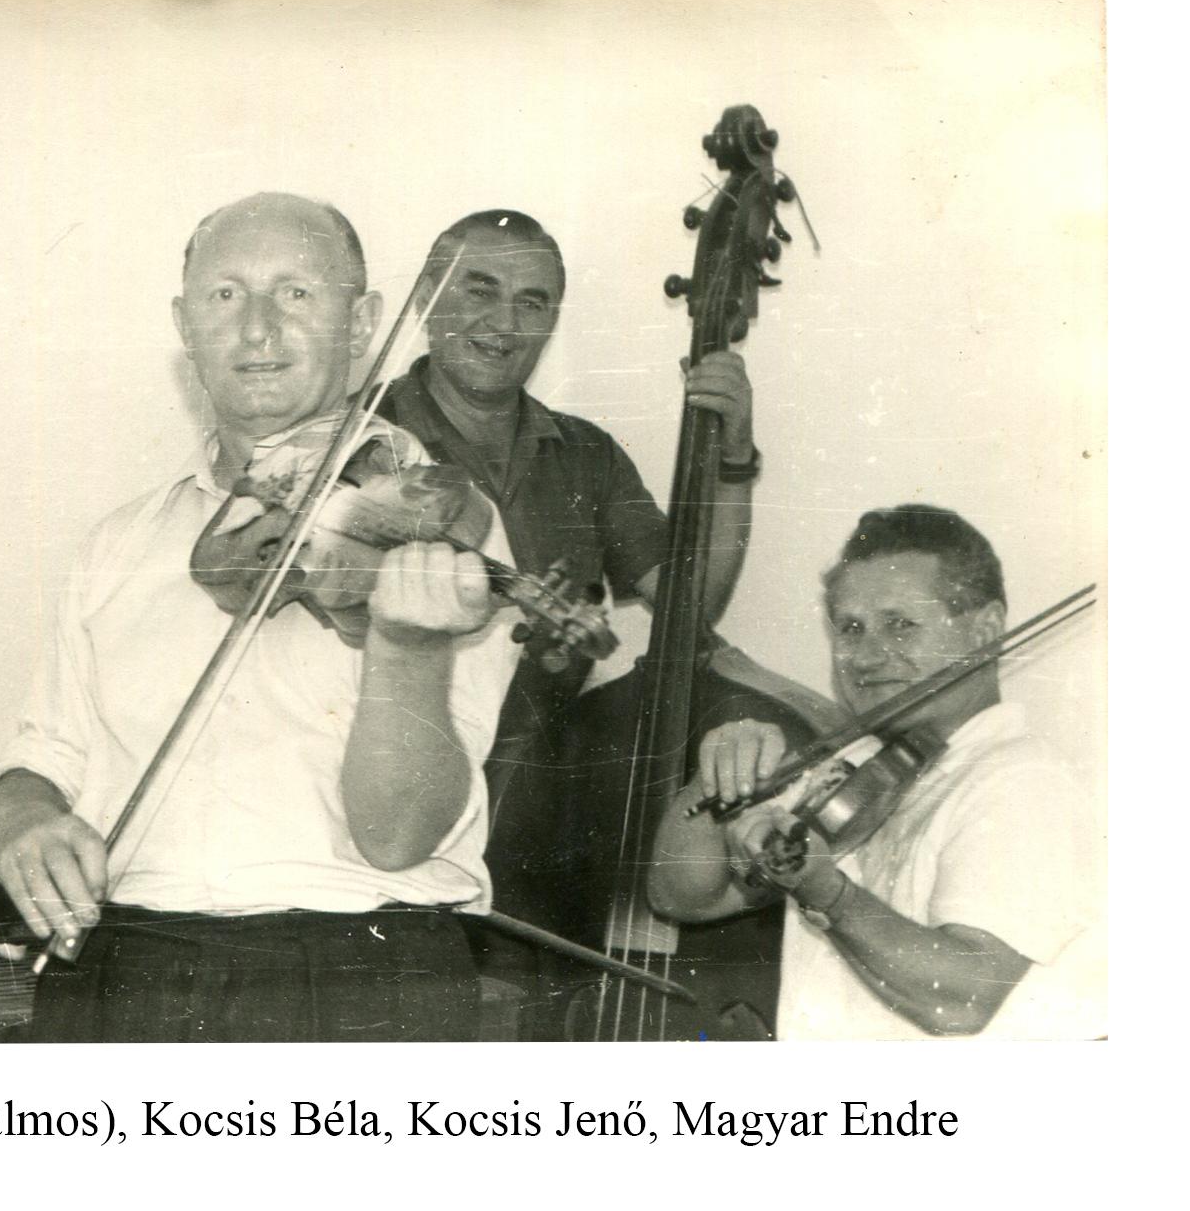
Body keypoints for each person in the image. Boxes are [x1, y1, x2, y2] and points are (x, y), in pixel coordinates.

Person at [0, 192, 521, 1041]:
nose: (258, 329)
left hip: (355, 971)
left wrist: (406, 645)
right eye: (225, 295)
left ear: (363, 322)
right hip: (122, 969)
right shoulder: (117, 543)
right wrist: (20, 821)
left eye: (297, 293)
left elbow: (398, 837)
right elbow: (41, 758)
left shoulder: (433, 526)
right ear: (185, 327)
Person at [374, 210, 769, 1017]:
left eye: (533, 301)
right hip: (389, 799)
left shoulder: (585, 455)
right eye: (479, 290)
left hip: (536, 830)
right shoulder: (359, 441)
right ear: (425, 295)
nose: (505, 323)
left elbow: (688, 608)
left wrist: (733, 456)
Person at [647, 505, 1103, 1037]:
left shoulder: (1021, 781)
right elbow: (682, 895)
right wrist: (719, 779)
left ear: (984, 631)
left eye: (900, 625)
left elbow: (962, 1000)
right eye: (851, 628)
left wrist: (827, 892)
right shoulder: (857, 767)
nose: (865, 656)